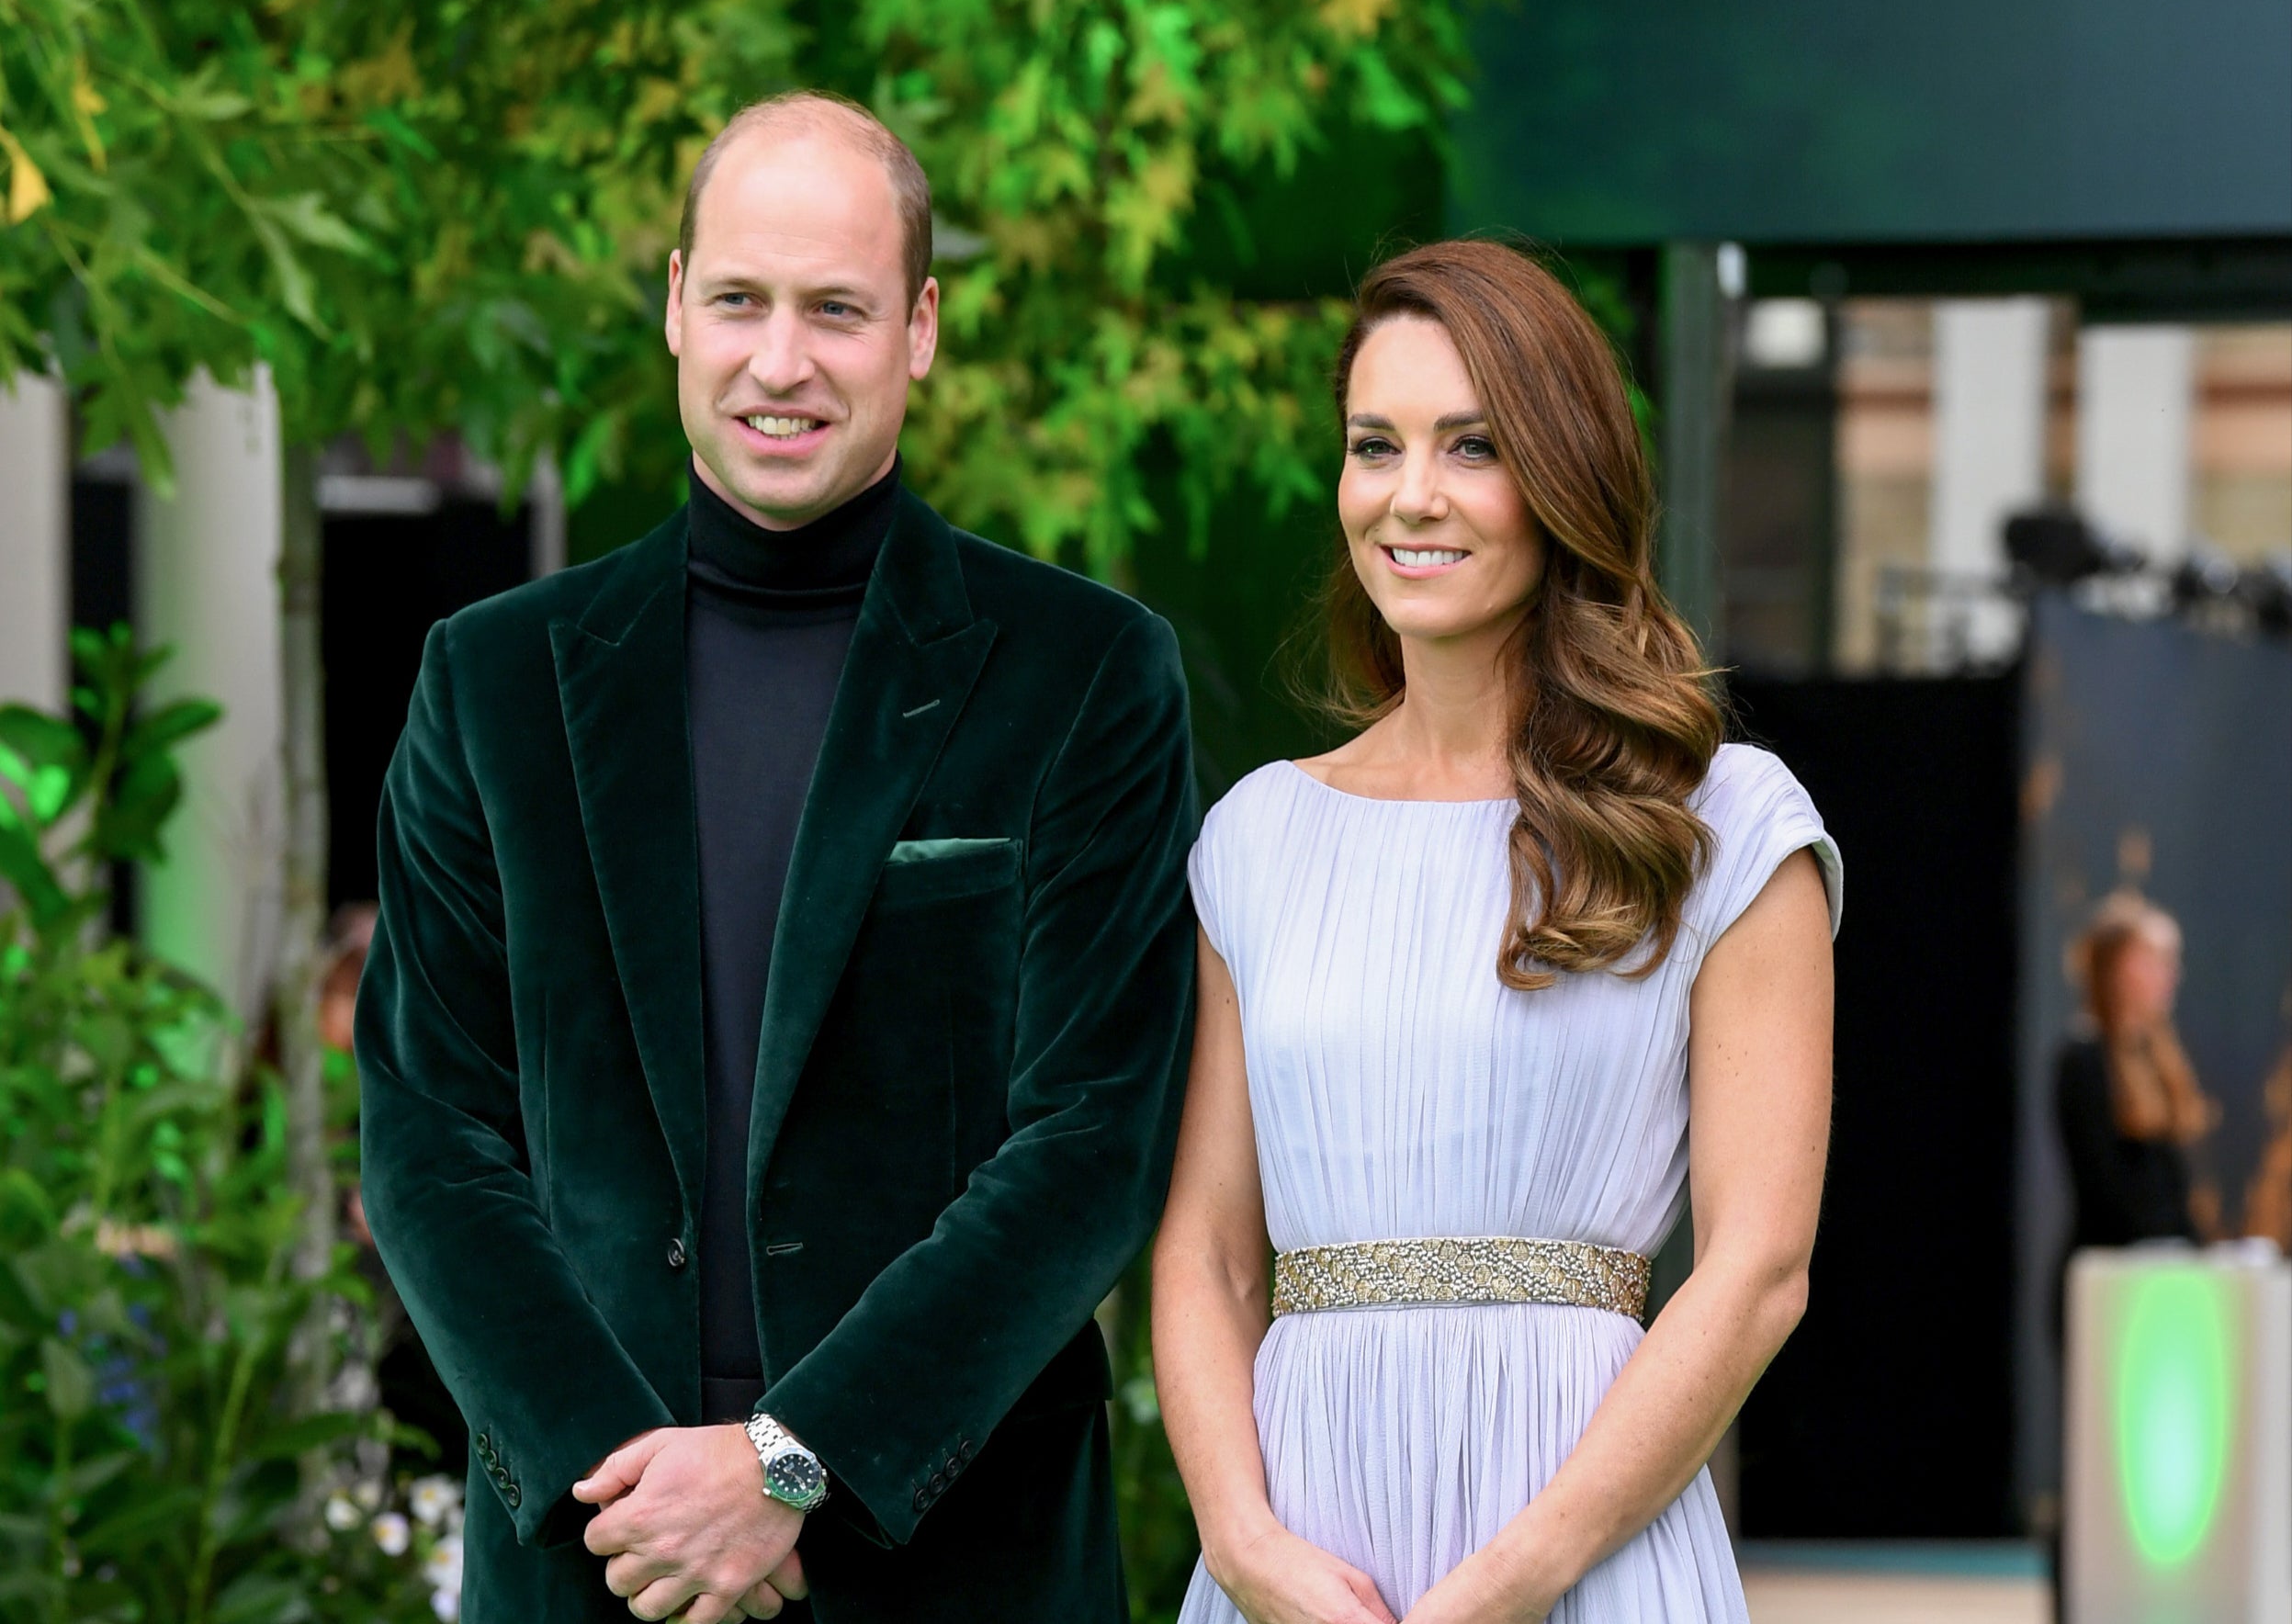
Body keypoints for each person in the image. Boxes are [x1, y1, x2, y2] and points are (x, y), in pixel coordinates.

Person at [354, 91, 1197, 1624]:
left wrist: (790, 1465)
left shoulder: (1084, 676)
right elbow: (429, 1141)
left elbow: (1091, 1144)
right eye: (740, 298)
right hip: (593, 1558)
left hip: (957, 1569)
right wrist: (638, 1484)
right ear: (676, 304)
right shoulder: (492, 683)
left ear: (922, 327)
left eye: (838, 309)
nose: (781, 358)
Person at [1152, 239, 1841, 1624]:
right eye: (1374, 445)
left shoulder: (1719, 820)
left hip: (1581, 1555)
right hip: (1301, 1562)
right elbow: (1209, 1255)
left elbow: (1757, 1267)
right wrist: (1240, 1548)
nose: (1410, 496)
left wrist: (1516, 1580)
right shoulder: (1257, 837)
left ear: (1561, 474)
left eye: (1471, 446)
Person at [2054, 890, 2218, 1253]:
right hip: (2109, 1277)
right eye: (2154, 960)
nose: (2170, 975)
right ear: (2116, 968)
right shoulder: (2084, 1060)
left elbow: (2171, 1191)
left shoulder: (2158, 1059)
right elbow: (2107, 1188)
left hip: (2157, 1275)